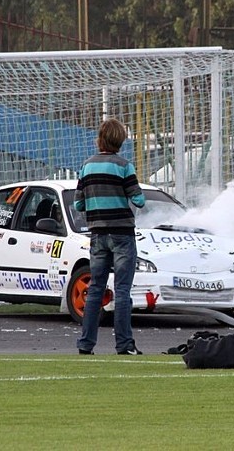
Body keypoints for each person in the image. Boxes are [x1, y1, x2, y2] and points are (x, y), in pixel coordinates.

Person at [75, 118, 146, 356]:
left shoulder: (86, 166)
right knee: (122, 290)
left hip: (97, 234)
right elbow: (139, 200)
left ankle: (86, 344)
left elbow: (78, 204)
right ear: (121, 141)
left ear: (100, 139)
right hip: (122, 233)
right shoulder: (124, 166)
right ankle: (125, 345)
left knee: (96, 288)